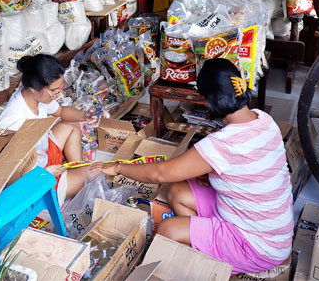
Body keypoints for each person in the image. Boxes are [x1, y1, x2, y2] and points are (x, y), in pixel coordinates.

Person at [92, 58, 293, 274]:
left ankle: (202, 263)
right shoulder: (264, 120)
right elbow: (249, 167)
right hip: (265, 227)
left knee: (168, 230)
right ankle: (204, 242)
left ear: (210, 101)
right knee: (177, 190)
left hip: (258, 246)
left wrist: (118, 167)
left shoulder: (223, 143)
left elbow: (160, 173)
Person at [0, 54, 95, 206]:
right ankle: (62, 188)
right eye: (54, 90)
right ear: (33, 89)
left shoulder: (37, 98)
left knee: (72, 124)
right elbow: (12, 171)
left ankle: (75, 169)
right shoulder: (14, 120)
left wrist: (85, 116)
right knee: (95, 172)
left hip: (43, 155)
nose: (57, 94)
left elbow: (61, 111)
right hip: (36, 178)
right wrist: (45, 174)